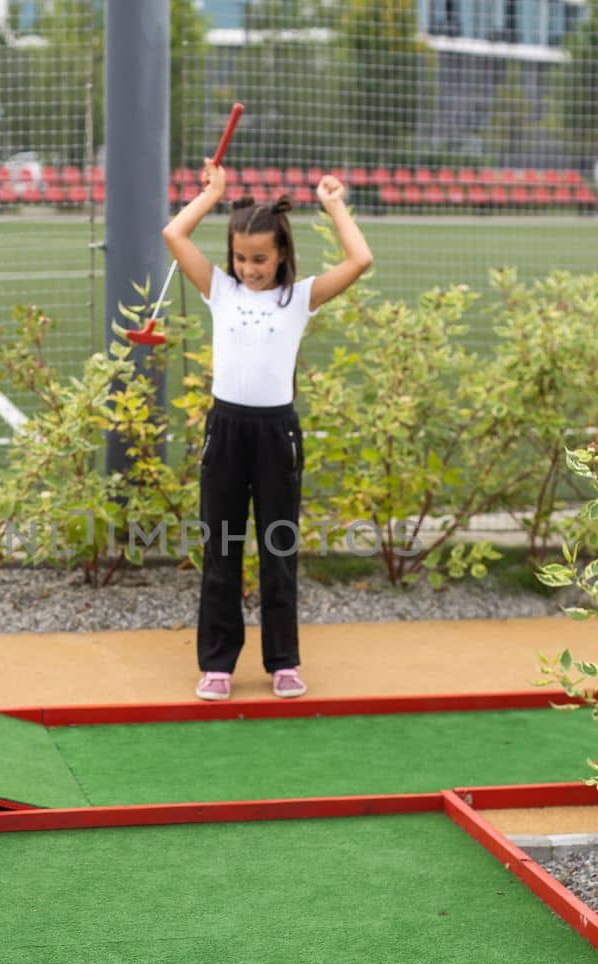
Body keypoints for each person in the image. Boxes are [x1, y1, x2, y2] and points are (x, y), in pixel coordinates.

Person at [163, 163, 373, 701]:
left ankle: (283, 661)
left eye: (259, 259)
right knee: (222, 548)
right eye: (240, 258)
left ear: (281, 253)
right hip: (226, 431)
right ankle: (217, 664)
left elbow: (360, 259)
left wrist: (335, 205)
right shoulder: (219, 290)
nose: (249, 269)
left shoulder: (299, 298)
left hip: (277, 433)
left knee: (278, 548)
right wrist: (213, 194)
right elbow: (174, 233)